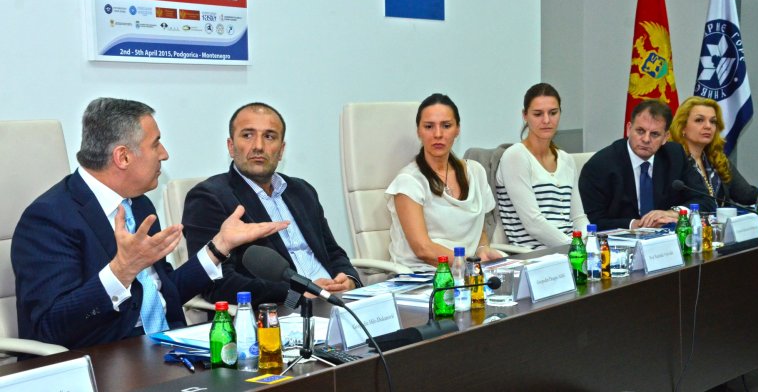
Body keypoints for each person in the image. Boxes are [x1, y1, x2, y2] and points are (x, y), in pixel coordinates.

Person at [11, 98, 287, 350]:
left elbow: (165, 292)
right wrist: (120, 272)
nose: (164, 154)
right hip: (106, 360)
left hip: (168, 348)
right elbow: (50, 328)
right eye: (156, 144)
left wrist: (219, 247)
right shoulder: (49, 218)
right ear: (123, 157)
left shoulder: (139, 204)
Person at [182, 102, 361, 306]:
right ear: (231, 147)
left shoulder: (302, 191)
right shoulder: (209, 197)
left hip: (336, 301)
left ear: (281, 150)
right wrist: (297, 294)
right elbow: (216, 283)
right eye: (247, 135)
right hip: (282, 311)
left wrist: (348, 279)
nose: (258, 146)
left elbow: (332, 252)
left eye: (269, 137)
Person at [386, 93, 502, 271]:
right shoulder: (408, 181)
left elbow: (479, 229)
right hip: (421, 275)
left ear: (457, 129)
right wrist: (470, 264)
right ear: (418, 131)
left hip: (466, 271)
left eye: (446, 126)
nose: (438, 134)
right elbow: (423, 249)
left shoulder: (476, 172)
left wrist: (482, 249)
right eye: (429, 126)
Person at [578, 100, 714, 231]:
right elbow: (592, 220)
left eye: (655, 134)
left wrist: (673, 213)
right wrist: (634, 224)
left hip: (667, 239)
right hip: (620, 241)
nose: (646, 139)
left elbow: (705, 200)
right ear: (629, 129)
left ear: (665, 137)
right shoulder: (600, 165)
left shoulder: (675, 155)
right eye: (640, 131)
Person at [496, 83, 589, 248]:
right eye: (538, 114)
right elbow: (533, 223)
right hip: (534, 255)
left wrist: (587, 243)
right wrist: (574, 247)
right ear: (525, 116)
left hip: (570, 250)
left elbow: (578, 217)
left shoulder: (566, 159)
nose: (546, 120)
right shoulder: (515, 155)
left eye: (553, 113)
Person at [669, 96, 758, 206]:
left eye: (713, 121)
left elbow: (747, 195)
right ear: (682, 126)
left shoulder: (717, 159)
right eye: (699, 120)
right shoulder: (671, 160)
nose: (708, 126)